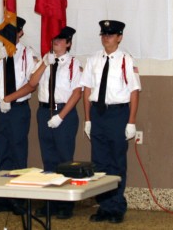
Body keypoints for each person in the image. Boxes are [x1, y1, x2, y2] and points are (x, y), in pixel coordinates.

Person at [0, 17, 38, 216]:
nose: (10, 36)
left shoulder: (28, 54)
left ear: (20, 33)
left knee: (18, 152)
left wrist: (10, 99)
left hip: (18, 109)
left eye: (14, 32)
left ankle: (19, 198)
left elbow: (31, 84)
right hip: (0, 111)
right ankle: (4, 197)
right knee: (3, 152)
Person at [82, 20, 140, 224]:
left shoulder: (126, 60)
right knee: (99, 163)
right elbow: (87, 90)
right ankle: (104, 206)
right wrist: (88, 119)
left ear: (119, 37)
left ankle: (117, 207)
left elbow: (134, 92)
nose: (106, 37)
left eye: (111, 34)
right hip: (98, 114)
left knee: (116, 162)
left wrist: (131, 121)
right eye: (104, 34)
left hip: (117, 114)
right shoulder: (93, 60)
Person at [28, 26, 82, 219]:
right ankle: (50, 201)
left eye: (60, 40)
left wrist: (61, 116)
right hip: (44, 112)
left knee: (64, 159)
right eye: (54, 40)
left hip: (63, 114)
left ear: (68, 43)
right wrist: (44, 63)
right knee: (48, 160)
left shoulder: (73, 64)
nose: (56, 43)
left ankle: (66, 203)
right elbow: (33, 83)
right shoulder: (45, 60)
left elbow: (77, 93)